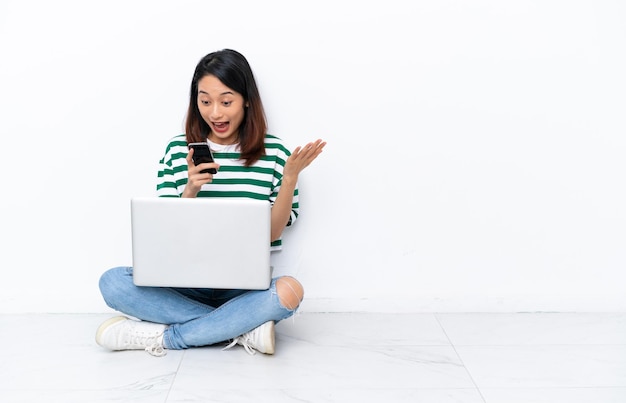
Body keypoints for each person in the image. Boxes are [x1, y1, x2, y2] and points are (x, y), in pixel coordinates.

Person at [95, 49, 326, 356]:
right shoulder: (178, 151)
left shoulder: (276, 154)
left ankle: (166, 338)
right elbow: (167, 233)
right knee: (112, 282)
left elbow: (271, 234)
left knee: (290, 291)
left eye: (226, 101)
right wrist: (190, 189)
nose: (215, 113)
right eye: (205, 101)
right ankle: (241, 328)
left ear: (246, 100)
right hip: (183, 282)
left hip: (242, 288)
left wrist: (289, 179)